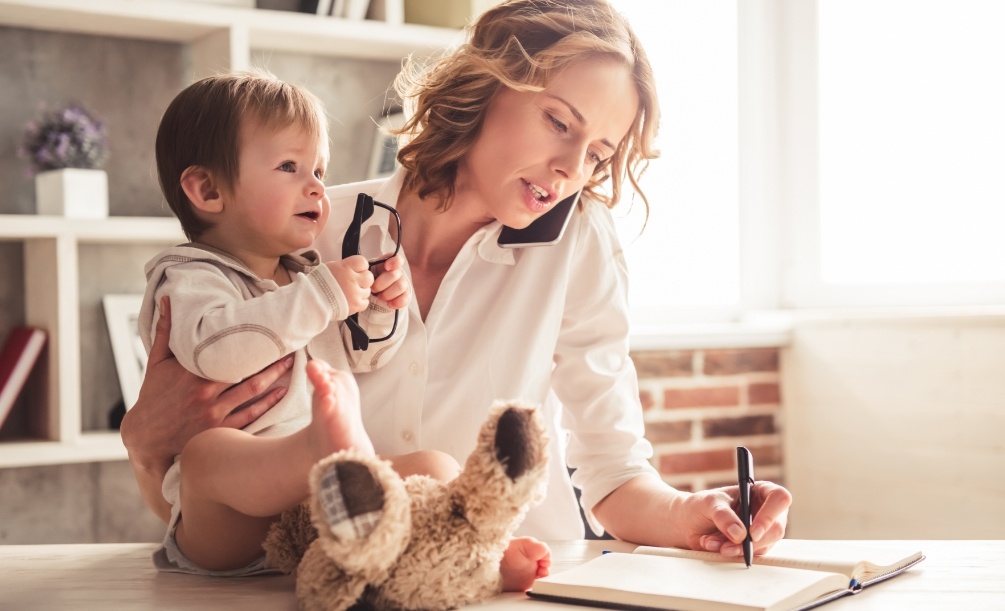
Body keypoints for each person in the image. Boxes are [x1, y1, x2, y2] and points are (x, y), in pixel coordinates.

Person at [122, 0, 791, 581]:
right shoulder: (302, 235)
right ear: (485, 85)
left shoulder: (578, 243)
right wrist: (143, 442)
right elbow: (201, 492)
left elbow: (612, 469)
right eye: (560, 122)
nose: (571, 168)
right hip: (333, 583)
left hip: (517, 581)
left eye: (596, 153)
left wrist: (692, 513)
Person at [137, 71, 549, 588]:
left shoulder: (304, 273)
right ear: (207, 189)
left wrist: (380, 312)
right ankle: (318, 452)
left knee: (434, 468)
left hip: (322, 511)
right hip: (228, 523)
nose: (315, 186)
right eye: (289, 166)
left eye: (319, 170)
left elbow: (363, 359)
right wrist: (321, 297)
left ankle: (477, 552)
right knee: (206, 457)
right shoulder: (191, 274)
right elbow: (215, 354)